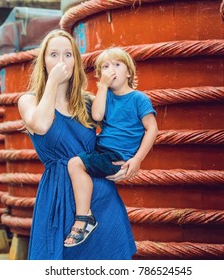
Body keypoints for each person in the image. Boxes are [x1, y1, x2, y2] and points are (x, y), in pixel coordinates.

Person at [17, 30, 137, 259]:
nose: (61, 61)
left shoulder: (88, 102)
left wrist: (134, 162)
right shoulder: (29, 101)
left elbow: (127, 126)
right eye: (53, 54)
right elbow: (41, 125)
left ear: (76, 61)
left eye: (68, 55)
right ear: (43, 62)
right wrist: (52, 83)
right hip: (57, 199)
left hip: (101, 198)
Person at [64, 47, 158, 247]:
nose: (111, 70)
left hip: (116, 156)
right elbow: (97, 116)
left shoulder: (138, 99)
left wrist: (137, 159)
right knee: (71, 158)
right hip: (101, 149)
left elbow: (152, 129)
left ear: (129, 72)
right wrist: (103, 87)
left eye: (116, 65)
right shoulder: (105, 96)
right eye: (105, 67)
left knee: (74, 164)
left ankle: (84, 218)